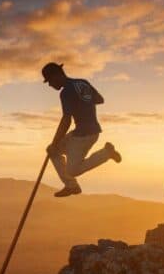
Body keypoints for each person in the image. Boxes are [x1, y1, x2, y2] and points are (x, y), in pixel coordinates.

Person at [41, 62, 122, 197]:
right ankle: (71, 186)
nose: (50, 85)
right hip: (82, 132)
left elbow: (66, 120)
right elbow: (99, 99)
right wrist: (83, 101)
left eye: (49, 81)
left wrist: (55, 142)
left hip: (85, 136)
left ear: (57, 75)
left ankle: (107, 153)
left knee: (72, 170)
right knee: (52, 151)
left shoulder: (66, 92)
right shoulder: (81, 83)